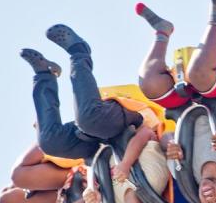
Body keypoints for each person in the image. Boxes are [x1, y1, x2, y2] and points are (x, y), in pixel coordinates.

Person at [21, 24, 155, 161]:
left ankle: (44, 75)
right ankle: (79, 52)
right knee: (74, 129)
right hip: (131, 117)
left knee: (53, 141)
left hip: (98, 135)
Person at [136, 0, 216, 111]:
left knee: (196, 73)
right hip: (191, 95)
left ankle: (215, 17)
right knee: (150, 83)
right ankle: (163, 31)